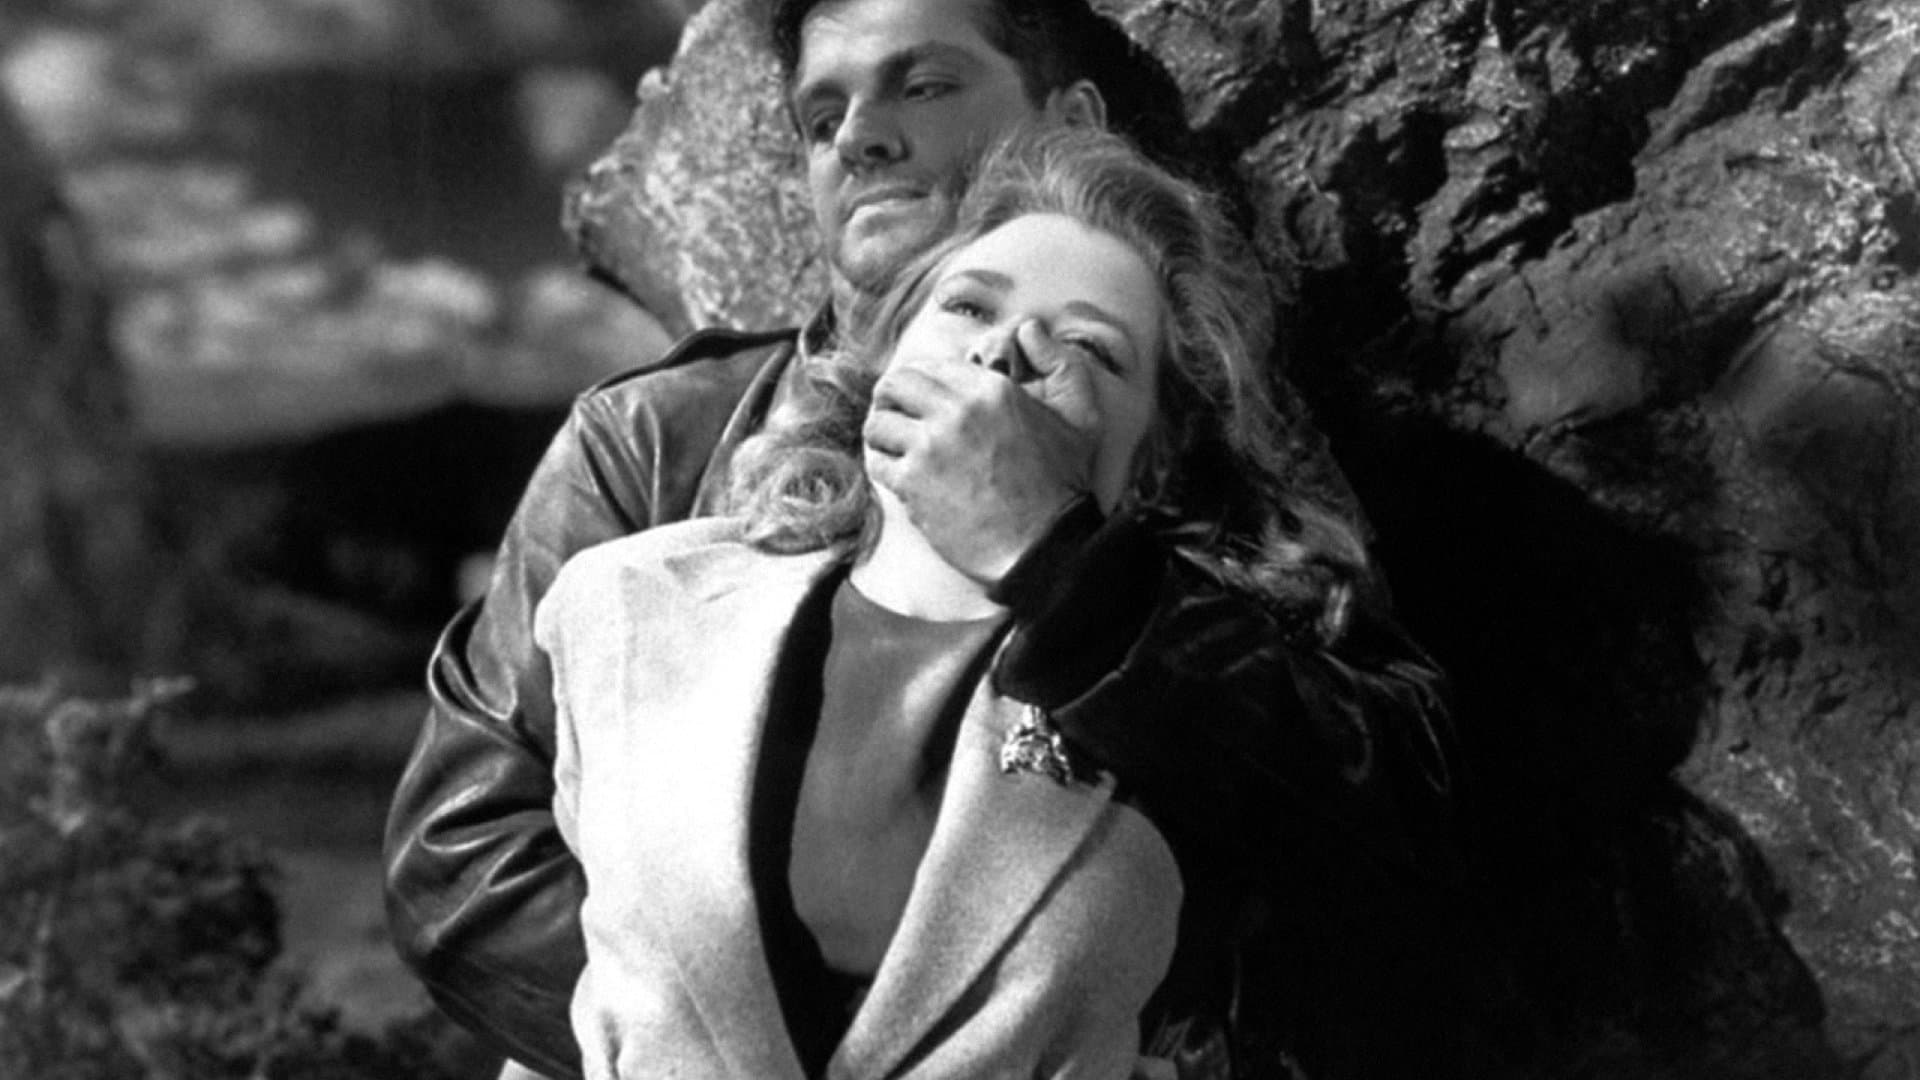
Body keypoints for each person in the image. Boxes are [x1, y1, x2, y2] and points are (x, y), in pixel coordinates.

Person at [384, 1, 1461, 1076]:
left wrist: (1067, 561)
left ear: (1071, 121)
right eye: (821, 118)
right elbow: (459, 863)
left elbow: (1382, 820)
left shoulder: (1208, 448)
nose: (859, 137)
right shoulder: (651, 442)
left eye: (926, 84)